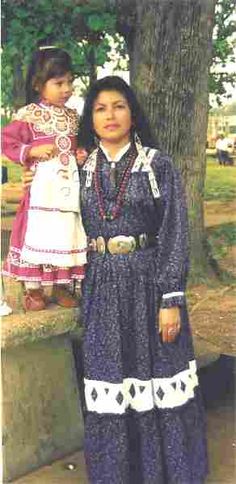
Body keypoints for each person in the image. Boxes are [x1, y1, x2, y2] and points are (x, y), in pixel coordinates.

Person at [23, 75, 208, 482]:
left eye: (118, 106)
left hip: (148, 282)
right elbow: (53, 213)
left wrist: (170, 299)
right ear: (90, 117)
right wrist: (34, 186)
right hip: (102, 287)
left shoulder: (157, 164)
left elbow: (174, 232)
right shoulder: (80, 167)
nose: (110, 115)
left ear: (132, 112)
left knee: (158, 379)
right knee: (112, 382)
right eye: (100, 108)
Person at [2, 47, 87, 311]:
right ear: (39, 84)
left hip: (68, 189)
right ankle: (34, 289)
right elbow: (6, 140)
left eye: (70, 82)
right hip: (41, 191)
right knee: (39, 234)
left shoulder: (73, 117)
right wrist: (30, 151)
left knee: (65, 234)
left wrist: (80, 154)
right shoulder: (29, 115)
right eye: (59, 83)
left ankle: (61, 286)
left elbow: (75, 147)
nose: (67, 89)